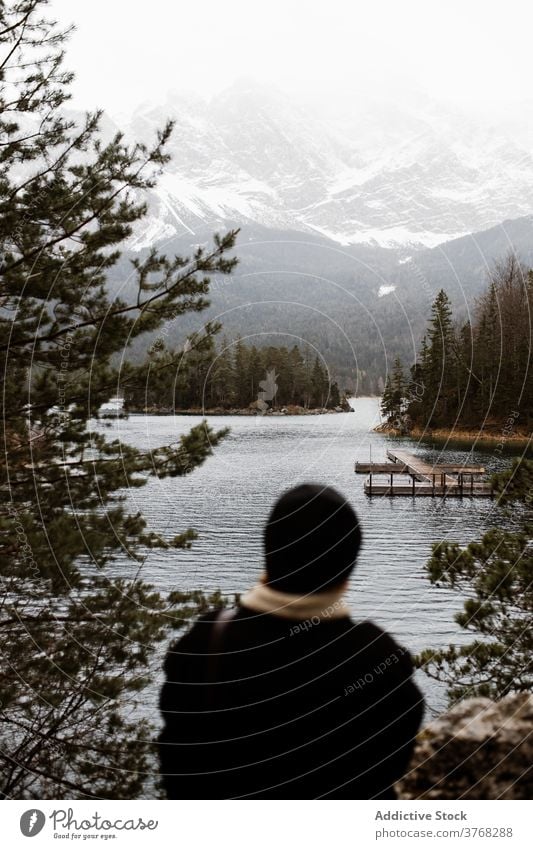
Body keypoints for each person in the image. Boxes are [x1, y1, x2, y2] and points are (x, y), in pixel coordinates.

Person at [158, 483, 424, 799]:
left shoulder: (206, 644)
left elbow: (177, 769)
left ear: (268, 557)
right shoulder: (381, 661)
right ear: (347, 572)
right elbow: (387, 773)